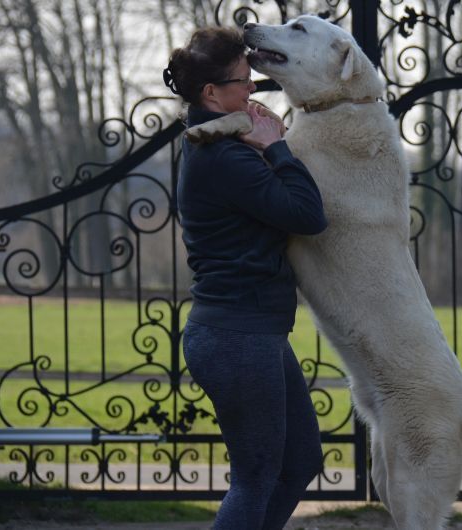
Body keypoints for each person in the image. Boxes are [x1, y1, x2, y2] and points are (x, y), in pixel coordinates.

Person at [163, 26, 327, 530]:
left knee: (299, 462)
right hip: (235, 336)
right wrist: (277, 147)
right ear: (211, 93)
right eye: (242, 79)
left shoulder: (217, 140)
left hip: (254, 332)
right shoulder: (226, 156)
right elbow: (306, 214)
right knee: (255, 476)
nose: (253, 87)